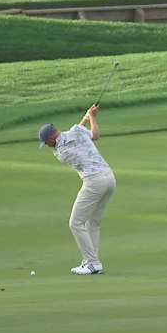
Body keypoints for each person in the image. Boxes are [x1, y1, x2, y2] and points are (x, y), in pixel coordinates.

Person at [39, 104, 116, 275]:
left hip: (94, 181)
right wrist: (91, 117)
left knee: (75, 223)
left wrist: (88, 117)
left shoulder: (61, 152)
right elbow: (93, 135)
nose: (48, 145)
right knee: (93, 222)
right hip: (110, 178)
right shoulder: (76, 132)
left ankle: (92, 262)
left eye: (47, 142)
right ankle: (91, 262)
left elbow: (83, 132)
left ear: (52, 138)